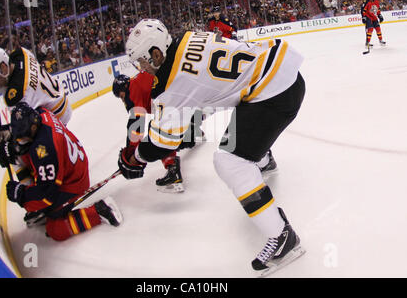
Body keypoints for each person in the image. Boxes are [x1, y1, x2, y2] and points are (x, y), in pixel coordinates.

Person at [119, 19, 305, 276]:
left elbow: (162, 142)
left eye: (141, 61)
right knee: (236, 139)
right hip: (277, 74)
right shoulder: (186, 38)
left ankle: (283, 237)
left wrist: (137, 157)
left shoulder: (172, 83)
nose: (141, 68)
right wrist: (189, 124)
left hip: (275, 94)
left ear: (156, 53)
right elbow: (210, 90)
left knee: (229, 162)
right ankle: (262, 160)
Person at [0, 102, 123, 241]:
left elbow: (46, 194)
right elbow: (26, 137)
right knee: (17, 155)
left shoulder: (45, 150)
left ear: (33, 126)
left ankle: (100, 211)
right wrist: (11, 133)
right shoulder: (41, 112)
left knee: (55, 230)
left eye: (23, 136)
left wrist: (21, 195)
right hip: (72, 163)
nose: (21, 140)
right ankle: (39, 207)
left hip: (74, 182)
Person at [112, 70, 201, 193]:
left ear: (125, 86)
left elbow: (136, 123)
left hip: (179, 103)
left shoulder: (133, 89)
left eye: (122, 96)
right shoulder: (139, 80)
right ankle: (192, 131)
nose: (123, 101)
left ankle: (173, 167)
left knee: (156, 135)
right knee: (162, 129)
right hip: (191, 98)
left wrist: (132, 152)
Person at [0, 46, 72, 125]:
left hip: (58, 115)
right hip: (61, 96)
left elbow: (22, 125)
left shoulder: (18, 93)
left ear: (3, 67)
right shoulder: (22, 53)